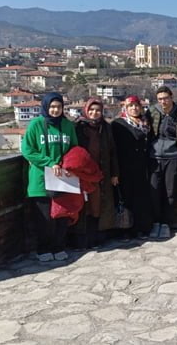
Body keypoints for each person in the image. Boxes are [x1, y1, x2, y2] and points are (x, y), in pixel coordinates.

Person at [21, 92, 78, 262]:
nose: (55, 110)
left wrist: (70, 166)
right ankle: (43, 248)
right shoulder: (36, 125)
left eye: (59, 107)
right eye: (52, 107)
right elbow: (28, 150)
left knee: (62, 215)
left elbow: (74, 149)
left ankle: (58, 246)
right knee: (44, 217)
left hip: (63, 178)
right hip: (40, 178)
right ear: (46, 107)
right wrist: (49, 162)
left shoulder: (68, 126)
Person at [147, 86, 177, 239]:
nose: (163, 102)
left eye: (165, 98)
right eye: (160, 99)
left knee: (170, 192)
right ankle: (156, 223)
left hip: (172, 157)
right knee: (154, 192)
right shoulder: (152, 113)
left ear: (171, 97)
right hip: (154, 158)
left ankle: (166, 223)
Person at [74, 98, 119, 248]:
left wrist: (114, 173)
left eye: (98, 110)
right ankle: (81, 239)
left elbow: (113, 151)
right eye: (91, 110)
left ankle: (95, 237)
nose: (94, 113)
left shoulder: (105, 128)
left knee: (97, 205)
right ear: (86, 110)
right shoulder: (78, 127)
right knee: (82, 206)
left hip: (101, 173)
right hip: (82, 173)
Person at [111, 95, 152, 239]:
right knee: (125, 199)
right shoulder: (118, 124)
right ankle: (125, 230)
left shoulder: (145, 124)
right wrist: (114, 172)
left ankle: (139, 228)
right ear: (125, 108)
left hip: (142, 168)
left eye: (136, 106)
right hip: (124, 168)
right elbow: (113, 149)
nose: (134, 108)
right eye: (131, 106)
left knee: (140, 199)